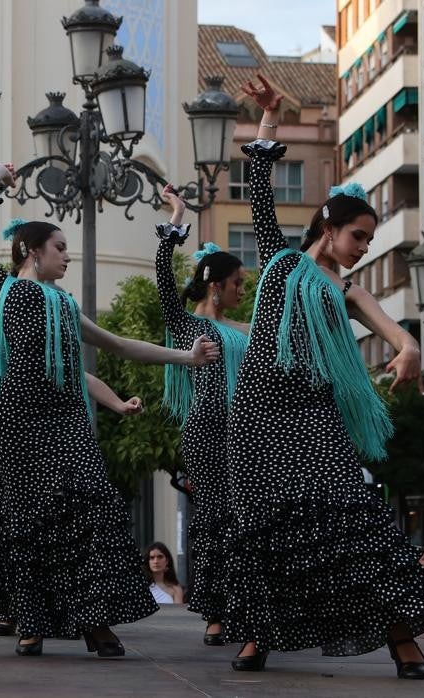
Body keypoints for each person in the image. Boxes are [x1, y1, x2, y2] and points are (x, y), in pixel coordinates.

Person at [220, 75, 424, 678]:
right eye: (357, 236)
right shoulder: (282, 259)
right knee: (264, 521)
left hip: (314, 415)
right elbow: (262, 189)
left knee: (347, 514)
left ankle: (402, 638)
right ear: (329, 226)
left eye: (370, 241)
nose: (363, 248)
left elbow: (392, 328)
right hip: (258, 411)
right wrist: (269, 117)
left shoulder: (344, 288)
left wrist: (408, 350)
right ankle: (256, 638)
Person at [0, 159, 218, 662]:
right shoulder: (6, 290)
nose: (66, 257)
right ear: (32, 252)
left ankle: (95, 623)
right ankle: (31, 624)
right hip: (16, 423)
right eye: (59, 248)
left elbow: (119, 345)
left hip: (66, 421)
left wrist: (185, 357)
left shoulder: (64, 305)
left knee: (88, 514)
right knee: (30, 520)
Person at [0, 225, 142, 638]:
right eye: (61, 248)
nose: (67, 256)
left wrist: (119, 403)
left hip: (55, 425)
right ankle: (17, 611)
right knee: (8, 522)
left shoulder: (55, 322)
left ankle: (87, 617)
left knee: (74, 513)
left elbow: (80, 375)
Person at [154, 186, 248, 646]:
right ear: (217, 285)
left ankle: (243, 607)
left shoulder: (242, 329)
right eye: (237, 284)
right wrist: (176, 219)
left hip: (248, 432)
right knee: (213, 516)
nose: (241, 291)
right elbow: (164, 289)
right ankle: (213, 613)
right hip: (208, 431)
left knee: (244, 519)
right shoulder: (192, 325)